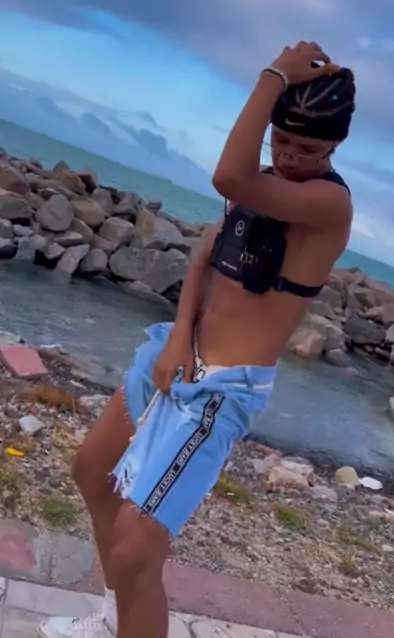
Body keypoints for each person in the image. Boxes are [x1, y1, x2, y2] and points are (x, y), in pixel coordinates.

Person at [39, 41, 355, 638]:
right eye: (281, 142)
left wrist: (273, 75)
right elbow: (206, 256)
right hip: (173, 357)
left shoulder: (327, 204)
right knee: (92, 470)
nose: (290, 158)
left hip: (220, 394)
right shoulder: (260, 185)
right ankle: (114, 621)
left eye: (307, 149)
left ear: (335, 146)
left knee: (136, 551)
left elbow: (227, 174)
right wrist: (178, 337)